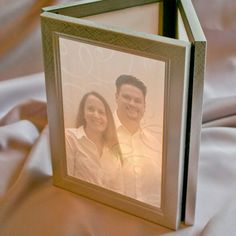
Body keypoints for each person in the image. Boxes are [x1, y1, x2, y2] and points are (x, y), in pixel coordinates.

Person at [114, 74, 162, 207]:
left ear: (144, 106)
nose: (132, 103)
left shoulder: (154, 143)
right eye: (126, 97)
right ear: (116, 97)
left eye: (137, 100)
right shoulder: (100, 135)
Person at [65, 91, 123, 193]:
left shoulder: (114, 152)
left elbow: (118, 192)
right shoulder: (69, 137)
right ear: (83, 113)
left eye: (101, 112)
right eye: (91, 109)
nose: (96, 115)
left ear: (108, 119)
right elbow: (65, 184)